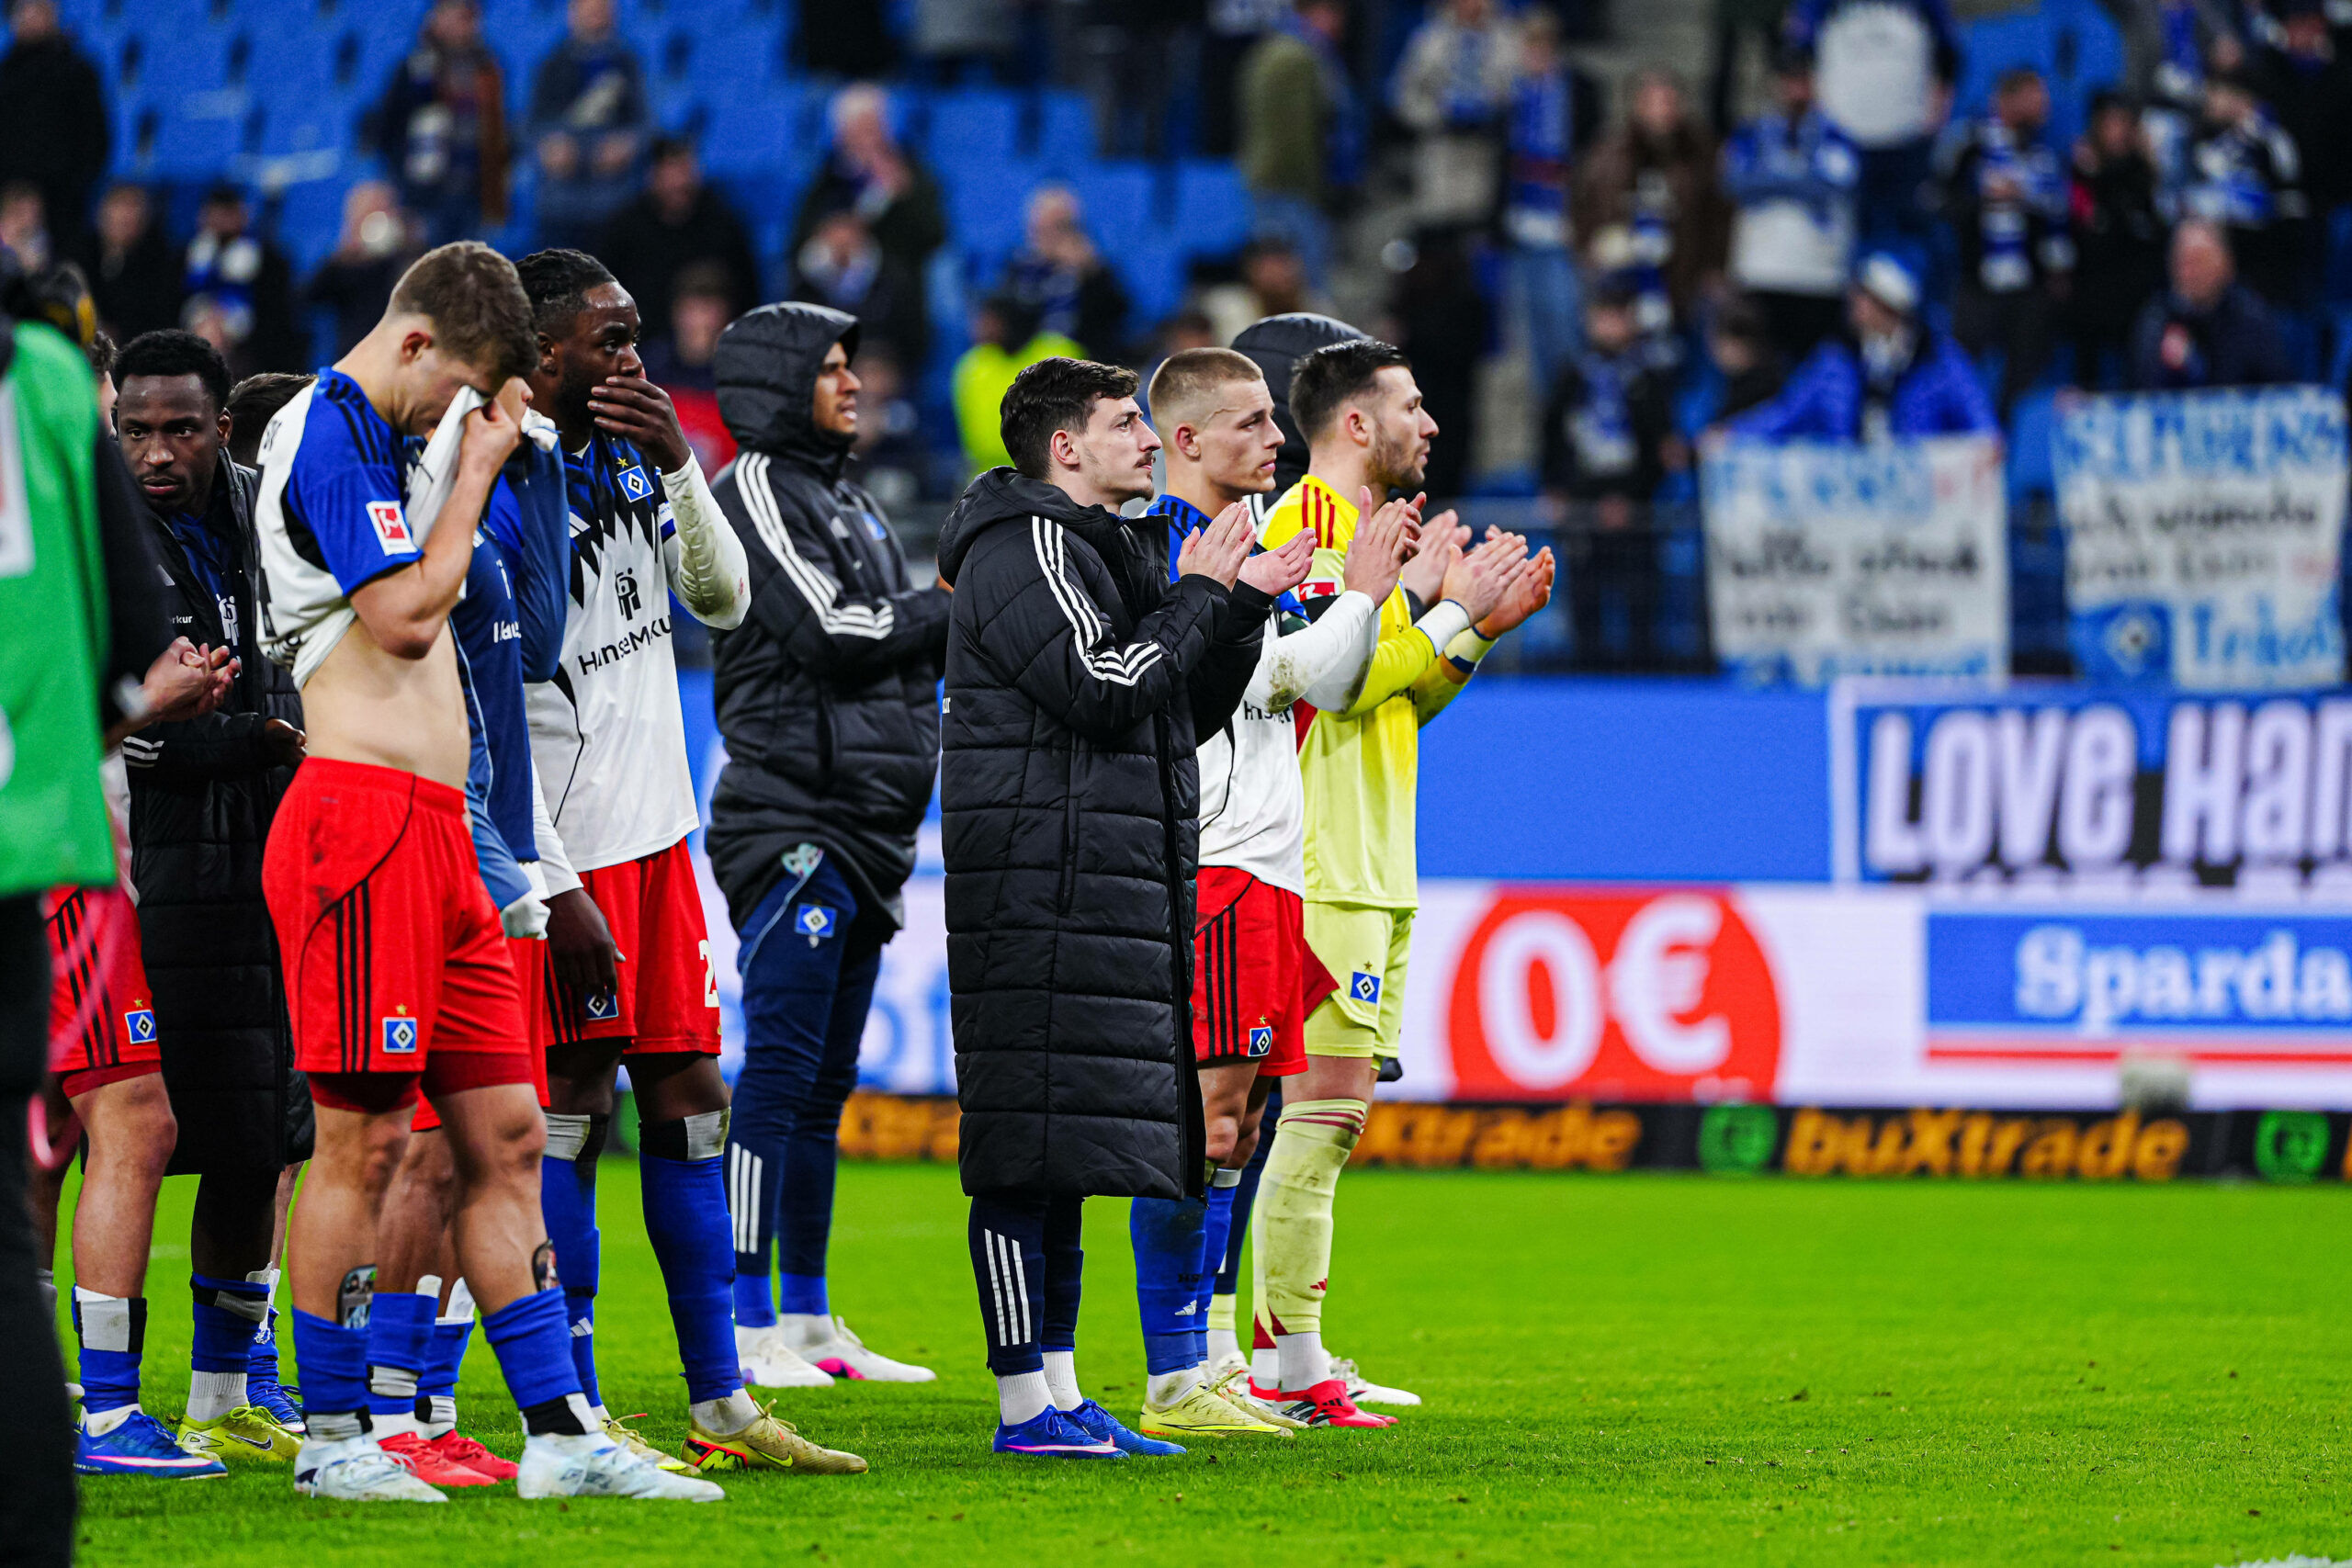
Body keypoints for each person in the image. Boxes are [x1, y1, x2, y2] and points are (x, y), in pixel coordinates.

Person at [250, 239, 716, 1502]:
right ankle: (338, 1435)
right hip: (361, 823)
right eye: (453, 382)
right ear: (413, 344)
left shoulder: (398, 437)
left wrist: (504, 451)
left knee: (506, 1136)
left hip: (452, 838)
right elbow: (404, 613)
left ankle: (559, 1431)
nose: (457, 410)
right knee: (364, 1143)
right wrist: (478, 470)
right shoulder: (333, 427)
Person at [511, 249, 864, 1474]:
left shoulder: (631, 459)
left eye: (638, 337)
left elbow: (721, 600)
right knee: (567, 1115)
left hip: (659, 839)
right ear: (543, 350)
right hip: (570, 851)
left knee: (691, 1102)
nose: (635, 362)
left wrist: (675, 460)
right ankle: (580, 1399)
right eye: (611, 343)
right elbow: (494, 701)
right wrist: (547, 876)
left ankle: (719, 1400)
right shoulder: (504, 480)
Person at [936, 355, 1299, 1458]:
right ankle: (1019, 1406)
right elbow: (1102, 687)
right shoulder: (1024, 547)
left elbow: (1169, 715)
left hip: (1096, 882)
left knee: (1066, 1152)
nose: (1147, 439)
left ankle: (1058, 1392)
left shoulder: (1100, 549)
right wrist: (1203, 594)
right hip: (1032, 883)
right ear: (1064, 448)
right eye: (1122, 423)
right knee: (1018, 1155)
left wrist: (1237, 608)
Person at [1250, 340, 1550, 1422]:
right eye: (1412, 407)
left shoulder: (1371, 536)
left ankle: (1292, 1359)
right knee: (1315, 1121)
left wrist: (1471, 634)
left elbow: (1399, 699)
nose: (1431, 424)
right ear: (1357, 425)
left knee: (1335, 1120)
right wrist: (1441, 605)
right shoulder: (1303, 531)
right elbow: (1330, 688)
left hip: (1378, 861)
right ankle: (1286, 1366)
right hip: (1319, 860)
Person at [1129, 346, 1408, 1440]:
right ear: (1186, 441)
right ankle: (1180, 1367)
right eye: (1249, 424)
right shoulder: (1168, 552)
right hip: (1214, 858)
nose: (1275, 442)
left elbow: (1322, 681)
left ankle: (1203, 1363)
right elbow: (1266, 678)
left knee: (1238, 1122)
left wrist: (1370, 600)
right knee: (1207, 1117)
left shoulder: (1254, 551)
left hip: (1268, 866)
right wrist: (1381, 602)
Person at [704, 303, 951, 1387]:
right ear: (775, 382)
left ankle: (807, 1319)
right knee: (781, 1071)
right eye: (830, 368)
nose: (852, 383)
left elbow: (891, 656)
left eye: (854, 365)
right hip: (790, 817)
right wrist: (947, 605)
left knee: (824, 1083)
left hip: (867, 821)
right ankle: (746, 1323)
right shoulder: (751, 489)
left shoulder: (849, 499)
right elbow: (831, 636)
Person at [360, 370, 571, 1488]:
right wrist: (504, 872)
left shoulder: (480, 546)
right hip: (444, 853)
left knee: (488, 1149)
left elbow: (539, 646)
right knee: (423, 1153)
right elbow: (449, 740)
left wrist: (527, 475)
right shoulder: (400, 550)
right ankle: (385, 1407)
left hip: (497, 858)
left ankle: (430, 1400)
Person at [107, 329, 315, 1462]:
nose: (155, 452)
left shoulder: (263, 516)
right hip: (148, 868)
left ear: (222, 427)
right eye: (136, 429)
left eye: (180, 428)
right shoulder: (108, 540)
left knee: (255, 1140)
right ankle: (103, 1396)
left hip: (263, 864)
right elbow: (112, 723)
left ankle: (224, 1391)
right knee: (133, 1137)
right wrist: (241, 736)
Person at [1731, 251, 1996, 441]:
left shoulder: (1939, 360)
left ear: (1890, 307)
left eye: (1867, 298)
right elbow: (1787, 413)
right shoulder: (1834, 361)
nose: (1856, 304)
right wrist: (1733, 435)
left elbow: (1977, 416)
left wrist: (1988, 445)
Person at [1937, 66, 2073, 418]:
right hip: (1979, 282)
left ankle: (2009, 441)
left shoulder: (2043, 156)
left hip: (2028, 287)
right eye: (2034, 96)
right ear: (2007, 100)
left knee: (2026, 372)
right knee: (1960, 367)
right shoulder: (1970, 144)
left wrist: (2057, 269)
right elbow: (1939, 198)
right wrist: (1982, 199)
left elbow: (2056, 216)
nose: (2044, 105)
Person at [1721, 46, 1858, 367]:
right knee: (1762, 373)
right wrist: (1802, 179)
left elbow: (1836, 185)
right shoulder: (1751, 132)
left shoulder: (1838, 134)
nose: (1796, 89)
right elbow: (1736, 183)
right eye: (1788, 79)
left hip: (1821, 274)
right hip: (1761, 270)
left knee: (1817, 372)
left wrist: (1772, 179)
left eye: (1804, 79)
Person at [1572, 69, 1731, 344]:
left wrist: (1714, 268)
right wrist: (1591, 249)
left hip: (1682, 286)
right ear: (1636, 106)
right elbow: (1582, 207)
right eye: (1654, 103)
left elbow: (1719, 216)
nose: (1663, 112)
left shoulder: (1702, 156)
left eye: (1670, 102)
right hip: (1620, 291)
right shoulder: (1607, 155)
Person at [1781, 0, 1960, 245]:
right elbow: (1799, 53)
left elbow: (1948, 54)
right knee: (1840, 235)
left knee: (1905, 237)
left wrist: (1940, 107)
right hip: (1842, 135)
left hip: (1907, 133)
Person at [1500, 8, 1602, 391]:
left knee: (1567, 326)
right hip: (1521, 225)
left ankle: (1578, 412)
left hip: (1564, 226)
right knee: (1535, 332)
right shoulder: (1511, 94)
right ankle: (1551, 421)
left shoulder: (1580, 89)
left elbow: (1592, 156)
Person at [791, 85, 948, 329]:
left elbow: (935, 235)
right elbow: (799, 238)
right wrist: (832, 235)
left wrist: (905, 197)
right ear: (842, 134)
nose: (870, 138)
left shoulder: (911, 173)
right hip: (835, 283)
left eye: (875, 127)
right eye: (860, 129)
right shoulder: (825, 179)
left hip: (897, 281)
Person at [1238, 0, 1357, 286]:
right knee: (1303, 282)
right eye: (1333, 13)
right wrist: (1318, 187)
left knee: (1278, 277)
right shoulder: (1298, 58)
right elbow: (1296, 133)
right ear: (1315, 12)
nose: (1340, 24)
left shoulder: (1272, 49)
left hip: (1270, 178)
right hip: (1291, 184)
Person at [373, 0, 511, 246]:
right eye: (455, 15)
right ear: (436, 18)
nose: (464, 23)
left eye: (469, 16)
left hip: (475, 191)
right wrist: (404, 180)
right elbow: (387, 131)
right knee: (431, 269)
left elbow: (501, 125)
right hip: (427, 193)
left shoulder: (489, 66)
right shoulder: (415, 67)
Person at [601, 138, 760, 347]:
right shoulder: (623, 227)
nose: (678, 181)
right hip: (641, 346)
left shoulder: (723, 224)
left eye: (684, 168)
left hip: (712, 351)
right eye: (669, 170)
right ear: (652, 174)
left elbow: (747, 292)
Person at [2180, 66, 2308, 309]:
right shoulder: (2197, 142)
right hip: (2210, 254)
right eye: (2214, 92)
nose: (2216, 99)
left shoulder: (2272, 141)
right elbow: (2185, 199)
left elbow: (2291, 203)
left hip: (2261, 254)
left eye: (2226, 92)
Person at [526, 0, 650, 250]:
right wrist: (548, 147)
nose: (595, 15)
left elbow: (645, 124)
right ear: (573, 13)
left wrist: (627, 145)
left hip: (614, 198)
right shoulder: (551, 64)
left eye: (601, 8)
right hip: (560, 202)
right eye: (588, 7)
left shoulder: (628, 64)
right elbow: (531, 125)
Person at [1390, 0, 1522, 231]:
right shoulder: (1430, 38)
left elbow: (1521, 91)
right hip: (1441, 150)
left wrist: (1494, 111)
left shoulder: (1508, 38)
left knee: (1476, 233)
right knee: (1439, 233)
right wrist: (1438, 116)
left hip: (1485, 153)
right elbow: (1404, 96)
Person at [2068, 92, 2167, 389]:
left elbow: (2153, 230)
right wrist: (2094, 177)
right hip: (2094, 283)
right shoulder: (2082, 174)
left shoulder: (2144, 173)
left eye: (2123, 123)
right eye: (2110, 123)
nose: (2118, 131)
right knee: (2085, 311)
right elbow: (2086, 229)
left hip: (2137, 284)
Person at [2127, 216, 2290, 389]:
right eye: (2182, 263)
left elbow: (2278, 389)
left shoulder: (2250, 314)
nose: (2190, 273)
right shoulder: (2156, 319)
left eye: (2199, 260)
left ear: (2226, 264)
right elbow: (2138, 391)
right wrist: (2170, 370)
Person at [0, 0, 108, 250]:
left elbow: (95, 135)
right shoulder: (5, 75)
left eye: (42, 8)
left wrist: (77, 180)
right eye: (26, 8)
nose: (33, 15)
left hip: (63, 198)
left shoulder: (77, 70)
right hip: (9, 191)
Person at [952, 293, 1082, 475]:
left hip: (1054, 472)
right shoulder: (973, 365)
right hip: (990, 478)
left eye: (990, 320)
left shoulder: (1059, 353)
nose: (980, 327)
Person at [1001, 185, 1133, 362]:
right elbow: (1010, 324)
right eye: (1041, 228)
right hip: (1029, 365)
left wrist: (1090, 274)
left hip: (1086, 362)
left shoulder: (1094, 269)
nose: (1050, 236)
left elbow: (1119, 316)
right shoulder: (1017, 269)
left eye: (1060, 227)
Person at [182, 186, 300, 379]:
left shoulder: (270, 260)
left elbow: (277, 315)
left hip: (251, 354)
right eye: (214, 212)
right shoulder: (185, 256)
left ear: (242, 214)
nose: (220, 220)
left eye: (227, 212)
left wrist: (228, 327)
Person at [789, 206, 925, 369]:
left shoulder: (891, 277)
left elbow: (909, 335)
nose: (842, 239)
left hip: (880, 364)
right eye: (834, 229)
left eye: (848, 229)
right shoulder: (801, 279)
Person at [305, 183, 425, 360]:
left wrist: (408, 245)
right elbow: (309, 297)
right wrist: (346, 254)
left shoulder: (409, 255)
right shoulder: (343, 263)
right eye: (368, 214)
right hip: (356, 357)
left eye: (384, 210)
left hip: (403, 356)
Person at [641, 262, 737, 476]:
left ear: (723, 316)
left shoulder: (738, 379)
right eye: (692, 310)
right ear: (677, 313)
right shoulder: (651, 368)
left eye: (707, 311)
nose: (699, 322)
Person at [82, 184, 183, 345]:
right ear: (102, 214)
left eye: (132, 207)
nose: (125, 216)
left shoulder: (160, 265)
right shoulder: (83, 258)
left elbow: (160, 319)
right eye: (118, 206)